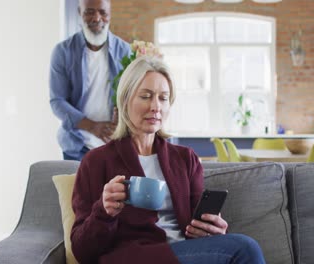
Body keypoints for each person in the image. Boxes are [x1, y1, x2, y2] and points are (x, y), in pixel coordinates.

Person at [70, 56, 266, 264]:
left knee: (239, 246)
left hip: (182, 253)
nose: (156, 106)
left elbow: (196, 229)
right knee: (245, 248)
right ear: (126, 100)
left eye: (163, 98)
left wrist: (212, 231)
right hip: (131, 258)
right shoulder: (96, 161)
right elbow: (82, 252)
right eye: (145, 96)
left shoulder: (185, 158)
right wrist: (103, 211)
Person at [49, 0, 131, 161]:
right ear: (80, 13)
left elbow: (130, 96)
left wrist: (120, 119)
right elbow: (57, 101)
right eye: (89, 12)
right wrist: (94, 127)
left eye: (103, 12)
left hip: (113, 146)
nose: (96, 18)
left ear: (110, 15)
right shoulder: (63, 52)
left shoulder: (125, 51)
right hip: (76, 147)